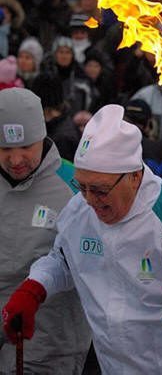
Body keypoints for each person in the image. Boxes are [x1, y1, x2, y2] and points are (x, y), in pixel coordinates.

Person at [2, 104, 162, 375]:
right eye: (82, 186)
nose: (89, 200)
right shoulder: (79, 209)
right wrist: (34, 289)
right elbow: (64, 258)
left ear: (134, 176)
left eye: (99, 190)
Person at [0, 87, 91, 373]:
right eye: (4, 149)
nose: (16, 160)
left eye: (26, 146)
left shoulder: (74, 187)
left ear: (42, 136)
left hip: (46, 342)